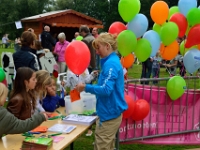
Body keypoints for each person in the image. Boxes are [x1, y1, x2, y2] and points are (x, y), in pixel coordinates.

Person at [75, 32, 128, 150]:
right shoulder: (110, 62)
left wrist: (85, 87)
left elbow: (106, 89)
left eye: (98, 48)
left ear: (107, 46)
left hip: (109, 114)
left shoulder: (111, 64)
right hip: (109, 112)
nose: (97, 52)